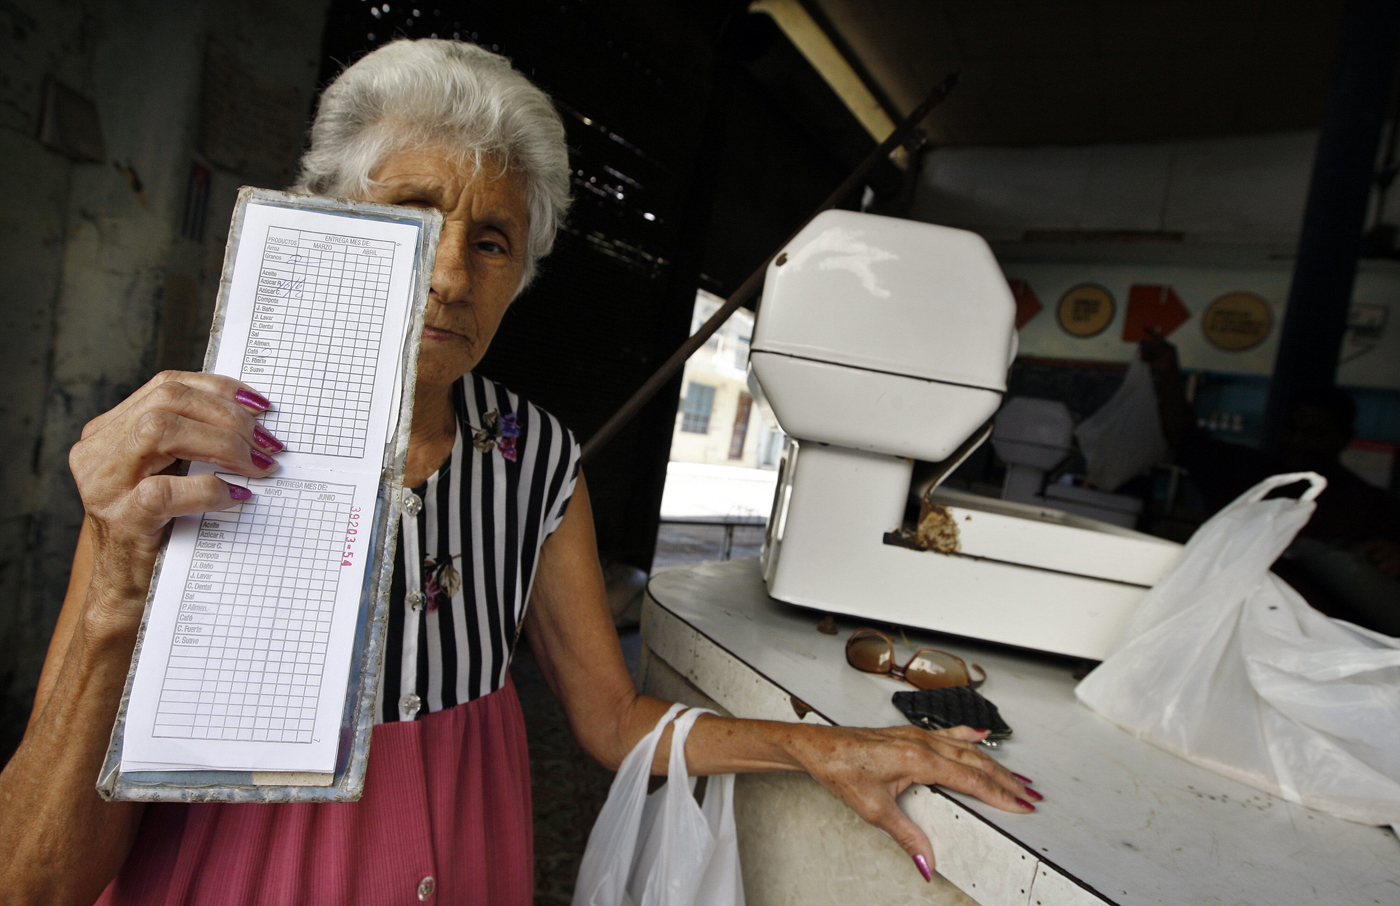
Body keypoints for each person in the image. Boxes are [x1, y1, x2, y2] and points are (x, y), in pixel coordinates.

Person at [0, 39, 1038, 905]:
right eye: (410, 208)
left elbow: (610, 718)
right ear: (329, 220)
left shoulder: (532, 457)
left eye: (490, 240)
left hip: (454, 855)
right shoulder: (193, 451)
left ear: (521, 273)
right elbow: (32, 880)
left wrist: (824, 748)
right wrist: (112, 585)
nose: (449, 273)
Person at [1140, 327, 1400, 633]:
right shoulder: (1248, 474)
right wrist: (1168, 374)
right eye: (1290, 429)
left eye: (1314, 433)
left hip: (1316, 646)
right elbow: (1184, 437)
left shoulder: (1369, 505)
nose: (1297, 441)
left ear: (1344, 439)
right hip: (1217, 628)